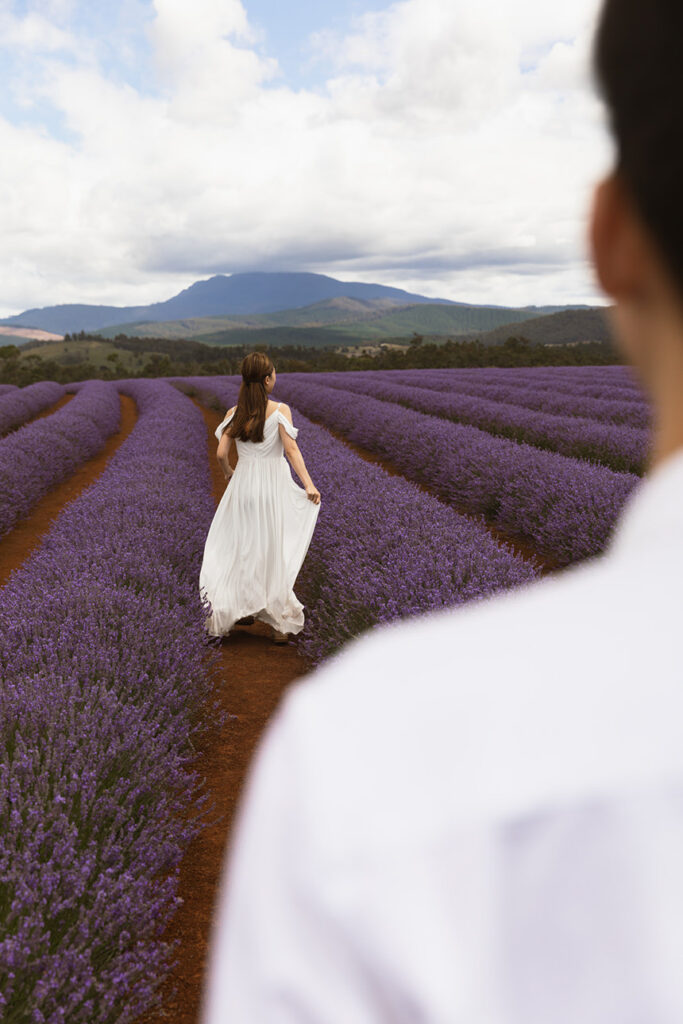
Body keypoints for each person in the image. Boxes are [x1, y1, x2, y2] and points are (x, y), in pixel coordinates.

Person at [201, 0, 683, 1019]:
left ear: (608, 237)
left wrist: (254, 472)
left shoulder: (375, 758)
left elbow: (229, 443)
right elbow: (289, 450)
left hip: (246, 504)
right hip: (266, 488)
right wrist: (308, 482)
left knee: (247, 566)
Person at [199, 352, 321, 645]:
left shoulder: (234, 413)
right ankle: (279, 624)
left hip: (243, 488)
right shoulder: (280, 410)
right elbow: (291, 451)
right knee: (272, 552)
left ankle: (238, 611)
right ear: (267, 379)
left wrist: (230, 473)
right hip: (272, 489)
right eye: (274, 374)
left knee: (241, 549)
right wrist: (308, 484)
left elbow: (219, 454)